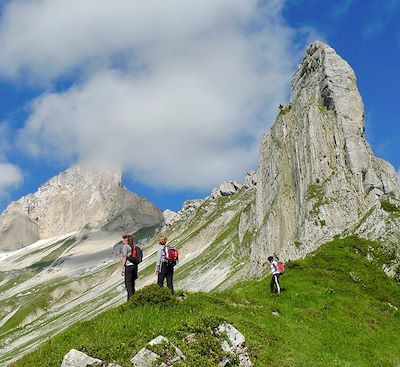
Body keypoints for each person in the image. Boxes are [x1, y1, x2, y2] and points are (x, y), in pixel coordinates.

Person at [120, 234, 138, 301]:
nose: (122, 240)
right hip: (134, 266)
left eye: (123, 239)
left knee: (128, 285)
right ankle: (134, 298)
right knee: (132, 284)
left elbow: (125, 257)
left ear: (126, 240)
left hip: (128, 266)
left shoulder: (125, 246)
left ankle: (130, 301)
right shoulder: (131, 246)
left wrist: (122, 268)